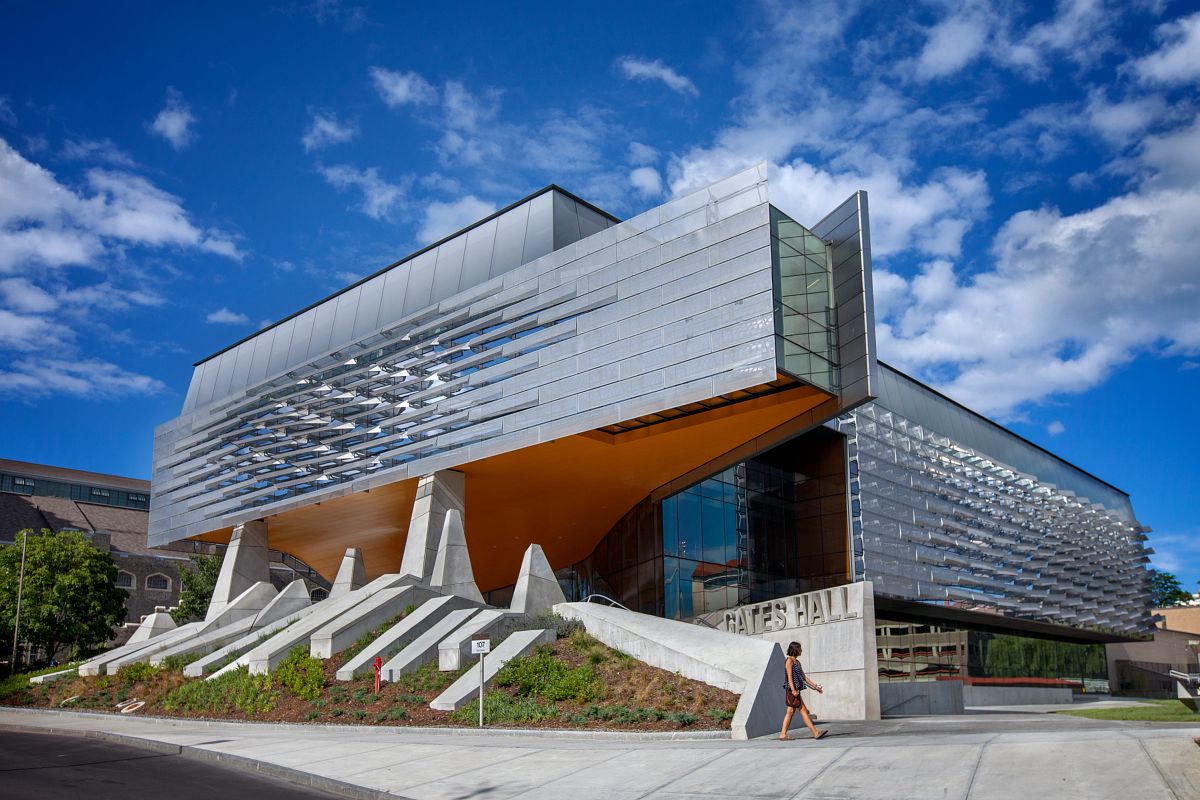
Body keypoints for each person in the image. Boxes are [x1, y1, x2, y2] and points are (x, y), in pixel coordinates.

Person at [780, 641, 827, 740]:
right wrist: (793, 690)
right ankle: (815, 732)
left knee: (791, 711)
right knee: (801, 711)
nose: (801, 650)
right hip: (792, 691)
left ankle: (783, 734)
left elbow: (804, 677)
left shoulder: (797, 662)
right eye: (800, 648)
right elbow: (789, 677)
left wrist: (815, 687)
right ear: (795, 650)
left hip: (795, 690)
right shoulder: (789, 661)